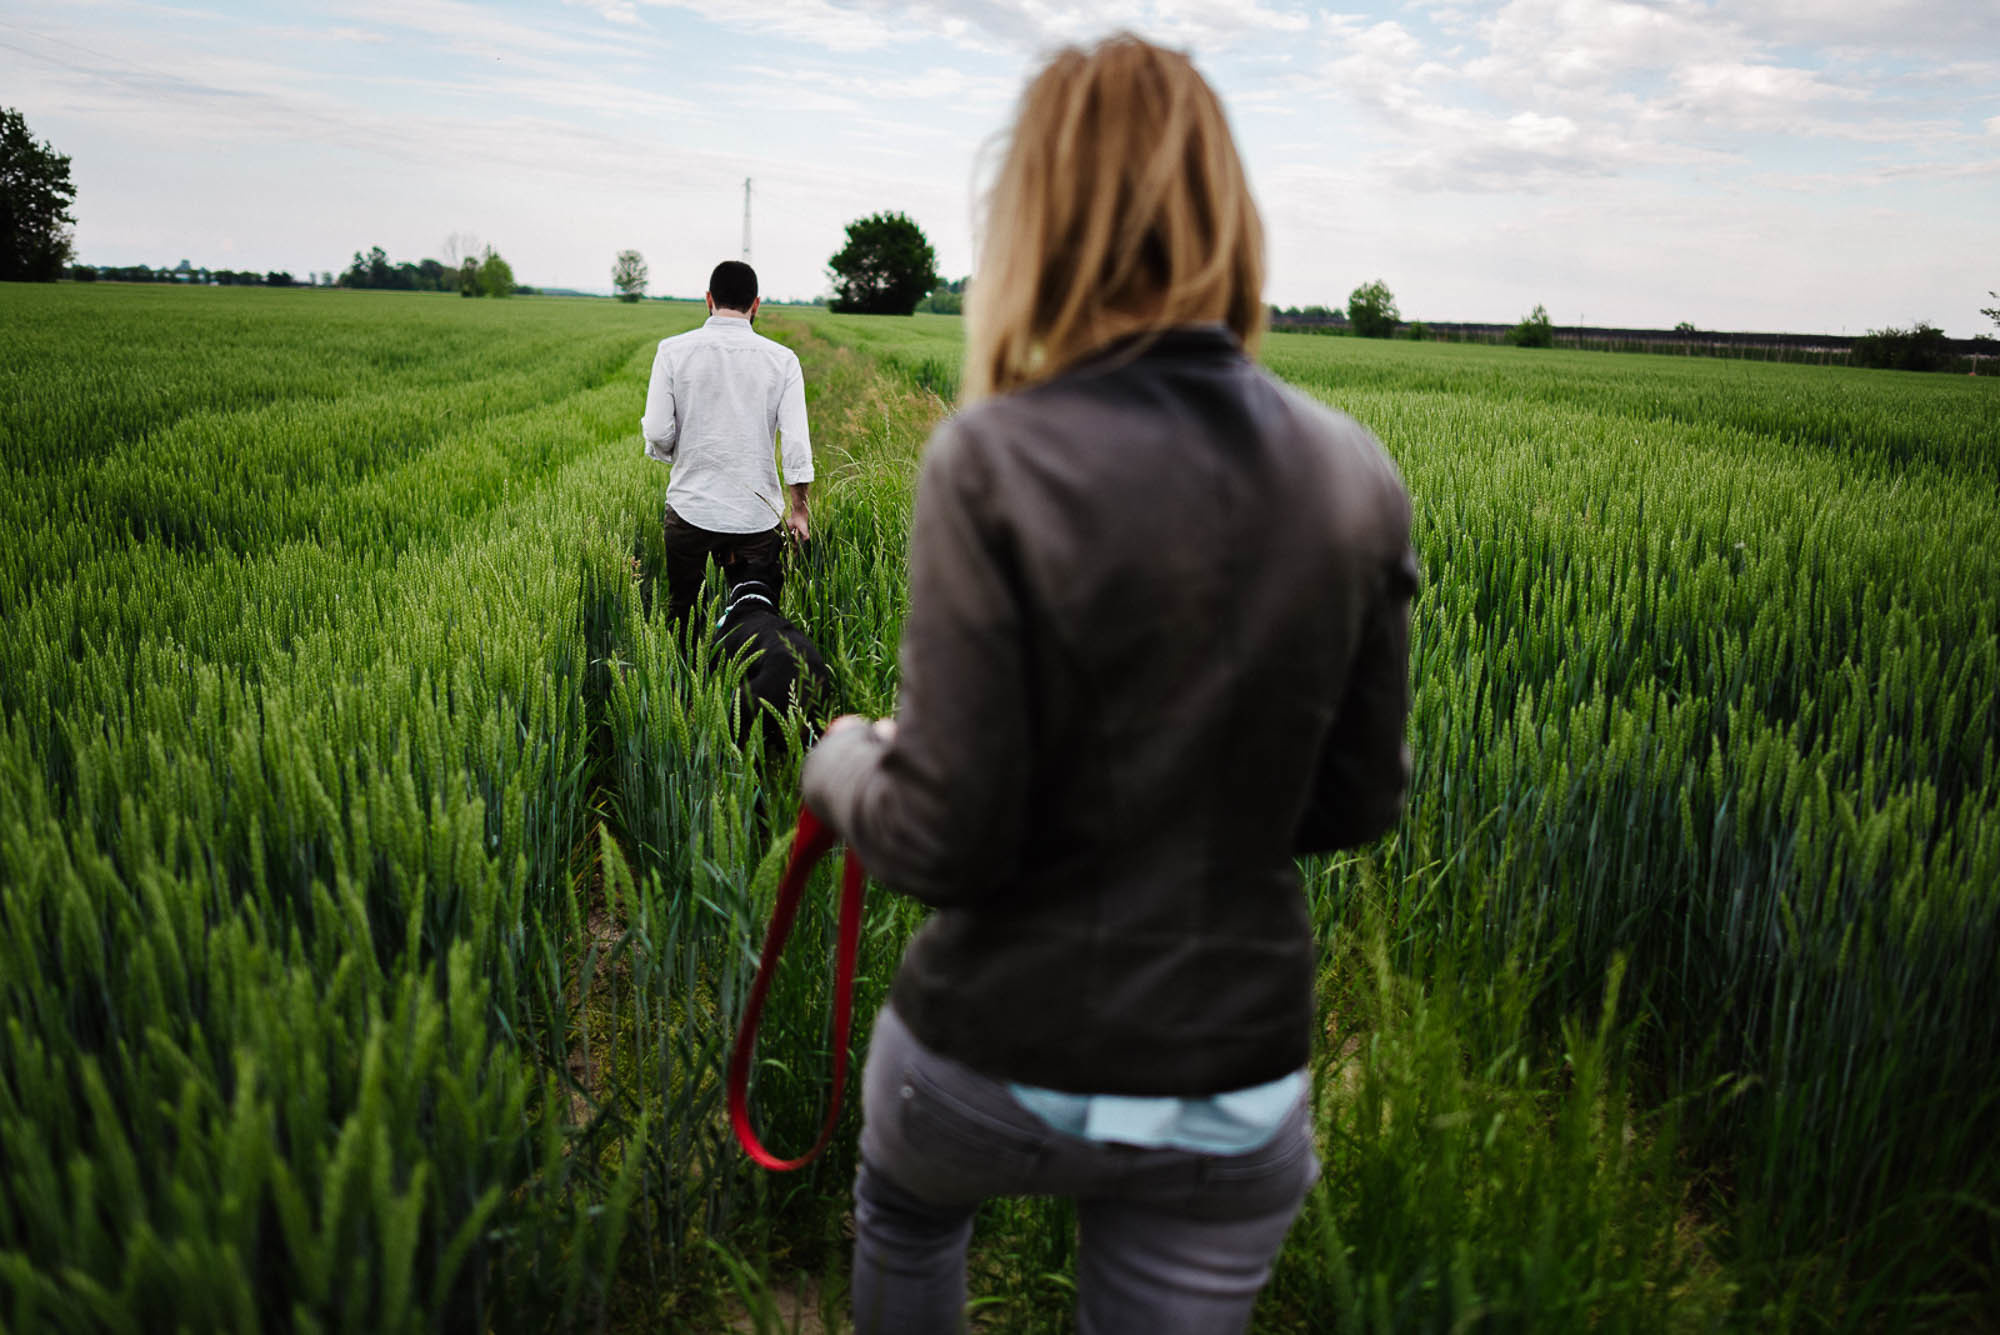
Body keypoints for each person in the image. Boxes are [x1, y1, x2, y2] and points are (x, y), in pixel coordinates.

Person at [800, 33, 1420, 1335]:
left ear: (1039, 221)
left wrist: (844, 753)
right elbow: (1353, 803)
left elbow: (942, 839)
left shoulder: (996, 457)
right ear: (1225, 214)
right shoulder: (1357, 471)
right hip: (1232, 1075)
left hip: (993, 1055)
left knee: (908, 1212)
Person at [641, 260, 813, 625]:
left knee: (685, 623)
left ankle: (686, 681)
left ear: (708, 299)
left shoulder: (672, 351)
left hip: (690, 512)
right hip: (755, 519)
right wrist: (799, 509)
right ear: (756, 305)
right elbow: (797, 443)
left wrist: (677, 452)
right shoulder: (783, 361)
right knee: (756, 625)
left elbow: (656, 430)